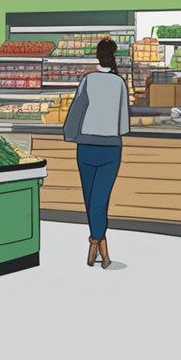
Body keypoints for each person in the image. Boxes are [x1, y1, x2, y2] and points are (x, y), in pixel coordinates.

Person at [63, 38, 129, 268]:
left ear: (97, 57)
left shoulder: (88, 80)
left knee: (90, 200)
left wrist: (71, 136)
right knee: (100, 201)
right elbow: (124, 125)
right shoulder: (120, 83)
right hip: (112, 149)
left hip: (86, 148)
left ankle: (95, 242)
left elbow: (76, 112)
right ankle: (101, 247)